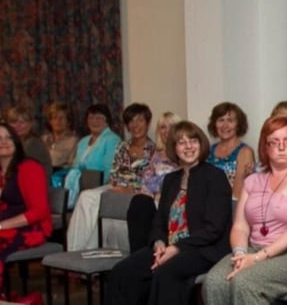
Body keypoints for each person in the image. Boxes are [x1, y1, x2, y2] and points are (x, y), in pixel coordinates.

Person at [105, 120, 232, 305]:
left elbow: (214, 228)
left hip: (202, 249)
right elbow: (159, 222)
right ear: (174, 148)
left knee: (165, 274)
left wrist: (177, 248)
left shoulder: (215, 177)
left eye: (193, 140)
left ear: (201, 144)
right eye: (182, 142)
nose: (188, 146)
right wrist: (158, 243)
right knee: (122, 272)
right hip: (169, 247)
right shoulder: (171, 180)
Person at [203, 115, 287, 305]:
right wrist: (241, 253)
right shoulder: (252, 181)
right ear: (265, 147)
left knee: (245, 282)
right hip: (253, 250)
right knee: (214, 281)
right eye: (274, 142)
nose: (281, 147)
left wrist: (257, 258)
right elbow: (240, 226)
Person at [0, 124, 52, 298]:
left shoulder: (30, 167)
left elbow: (39, 211)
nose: (3, 142)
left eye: (8, 137)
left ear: (16, 142)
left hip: (29, 228)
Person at [67, 102, 156, 250]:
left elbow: (151, 181)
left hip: (140, 192)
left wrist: (130, 190)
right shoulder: (122, 146)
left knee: (108, 200)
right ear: (127, 126)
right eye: (131, 121)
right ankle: (76, 252)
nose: (135, 125)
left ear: (147, 123)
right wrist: (118, 186)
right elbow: (114, 173)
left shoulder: (154, 150)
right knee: (86, 197)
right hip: (117, 186)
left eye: (140, 120)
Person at [126, 111, 181, 252]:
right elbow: (147, 179)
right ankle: (139, 255)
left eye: (172, 126)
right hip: (153, 200)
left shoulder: (185, 152)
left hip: (173, 201)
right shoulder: (157, 154)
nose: (167, 131)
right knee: (139, 202)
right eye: (163, 127)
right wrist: (148, 194)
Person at [62, 103, 122, 208]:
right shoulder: (83, 141)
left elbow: (110, 171)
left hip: (99, 188)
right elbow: (75, 167)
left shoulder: (113, 140)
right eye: (91, 117)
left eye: (99, 118)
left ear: (107, 121)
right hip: (78, 187)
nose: (94, 121)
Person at [206, 102, 255, 200]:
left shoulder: (245, 152)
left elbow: (237, 194)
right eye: (221, 120)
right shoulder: (208, 151)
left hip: (232, 208)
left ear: (238, 124)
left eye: (230, 120)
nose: (225, 125)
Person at [6, 105, 53, 180]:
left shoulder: (33, 144)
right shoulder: (13, 143)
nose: (18, 125)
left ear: (31, 124)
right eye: (14, 122)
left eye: (22, 122)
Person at [41, 102, 78, 170]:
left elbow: (72, 165)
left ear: (68, 121)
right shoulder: (44, 139)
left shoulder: (74, 141)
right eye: (54, 118)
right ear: (50, 121)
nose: (58, 121)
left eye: (61, 118)